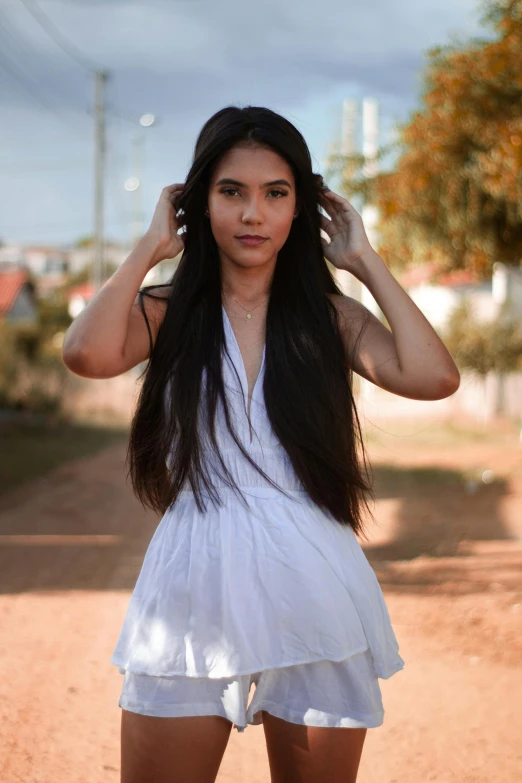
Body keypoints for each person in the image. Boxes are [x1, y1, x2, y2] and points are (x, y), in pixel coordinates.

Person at [63, 105, 460, 783]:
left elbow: (433, 375)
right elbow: (86, 352)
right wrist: (148, 248)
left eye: (276, 193)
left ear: (301, 207)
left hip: (313, 580)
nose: (254, 213)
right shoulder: (166, 312)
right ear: (197, 202)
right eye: (231, 192)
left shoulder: (331, 318)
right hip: (192, 580)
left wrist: (365, 260)